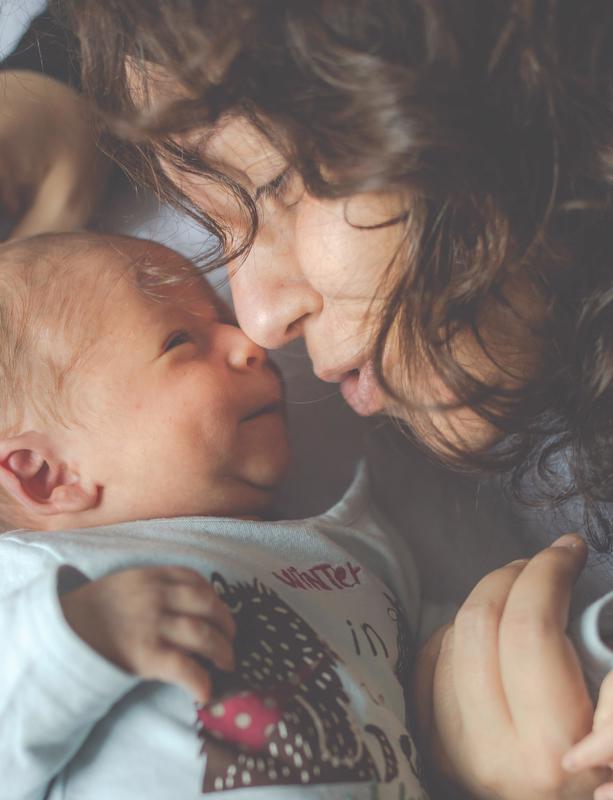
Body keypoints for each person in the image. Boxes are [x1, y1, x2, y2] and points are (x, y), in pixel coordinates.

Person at [4, 1, 613, 796]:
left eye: (276, 185)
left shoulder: (354, 550)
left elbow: (434, 659)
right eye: (179, 340)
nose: (258, 321)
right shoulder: (43, 580)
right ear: (42, 474)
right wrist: (47, 82)